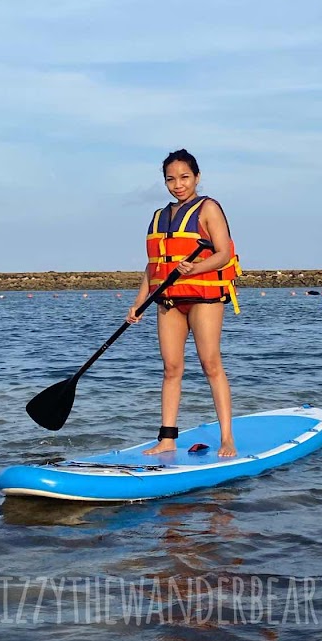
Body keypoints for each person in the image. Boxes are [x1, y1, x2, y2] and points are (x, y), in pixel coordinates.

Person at [127, 149, 240, 458]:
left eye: (184, 177)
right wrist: (139, 303)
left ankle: (227, 438)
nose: (178, 184)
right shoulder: (158, 216)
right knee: (171, 368)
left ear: (197, 177)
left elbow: (223, 253)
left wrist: (196, 268)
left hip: (203, 298)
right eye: (171, 179)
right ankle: (167, 438)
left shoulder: (208, 208)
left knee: (211, 365)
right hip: (168, 301)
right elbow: (154, 265)